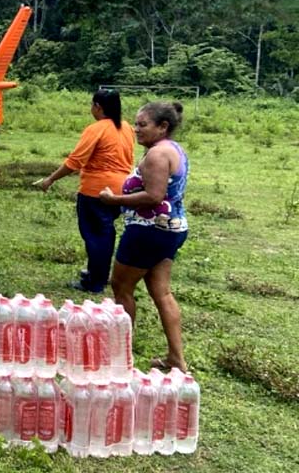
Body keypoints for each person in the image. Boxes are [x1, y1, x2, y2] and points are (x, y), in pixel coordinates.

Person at [99, 101, 189, 372]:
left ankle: (120, 353)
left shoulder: (157, 155)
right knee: (162, 293)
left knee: (121, 286)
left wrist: (114, 199)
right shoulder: (173, 149)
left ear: (163, 127)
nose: (136, 129)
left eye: (142, 125)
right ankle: (176, 359)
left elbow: (154, 195)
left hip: (148, 231)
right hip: (171, 228)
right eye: (136, 124)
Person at [35, 89, 135, 292]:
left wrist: (50, 179)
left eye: (92, 105)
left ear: (97, 106)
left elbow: (75, 162)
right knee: (105, 233)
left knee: (96, 235)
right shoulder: (126, 128)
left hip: (96, 191)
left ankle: (95, 282)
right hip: (120, 191)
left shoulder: (96, 129)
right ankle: (99, 272)